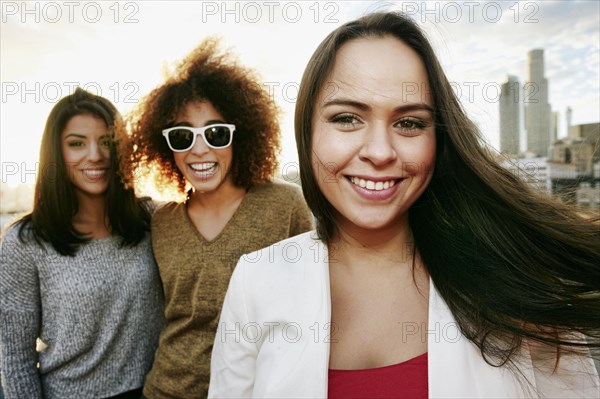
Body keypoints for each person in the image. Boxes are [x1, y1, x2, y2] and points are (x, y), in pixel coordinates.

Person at [209, 11, 600, 398]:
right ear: (307, 132)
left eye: (409, 123)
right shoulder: (256, 281)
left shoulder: (514, 279)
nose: (380, 152)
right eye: (346, 118)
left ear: (438, 141)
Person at [118, 37, 314, 398]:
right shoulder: (163, 222)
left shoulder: (286, 206)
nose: (200, 148)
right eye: (182, 136)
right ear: (166, 148)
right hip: (164, 390)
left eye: (216, 132)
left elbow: (315, 309)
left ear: (241, 135)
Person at [0, 88, 164, 398]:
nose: (95, 155)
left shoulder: (151, 220)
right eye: (77, 143)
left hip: (153, 392)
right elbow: (16, 360)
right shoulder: (25, 242)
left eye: (107, 142)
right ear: (55, 153)